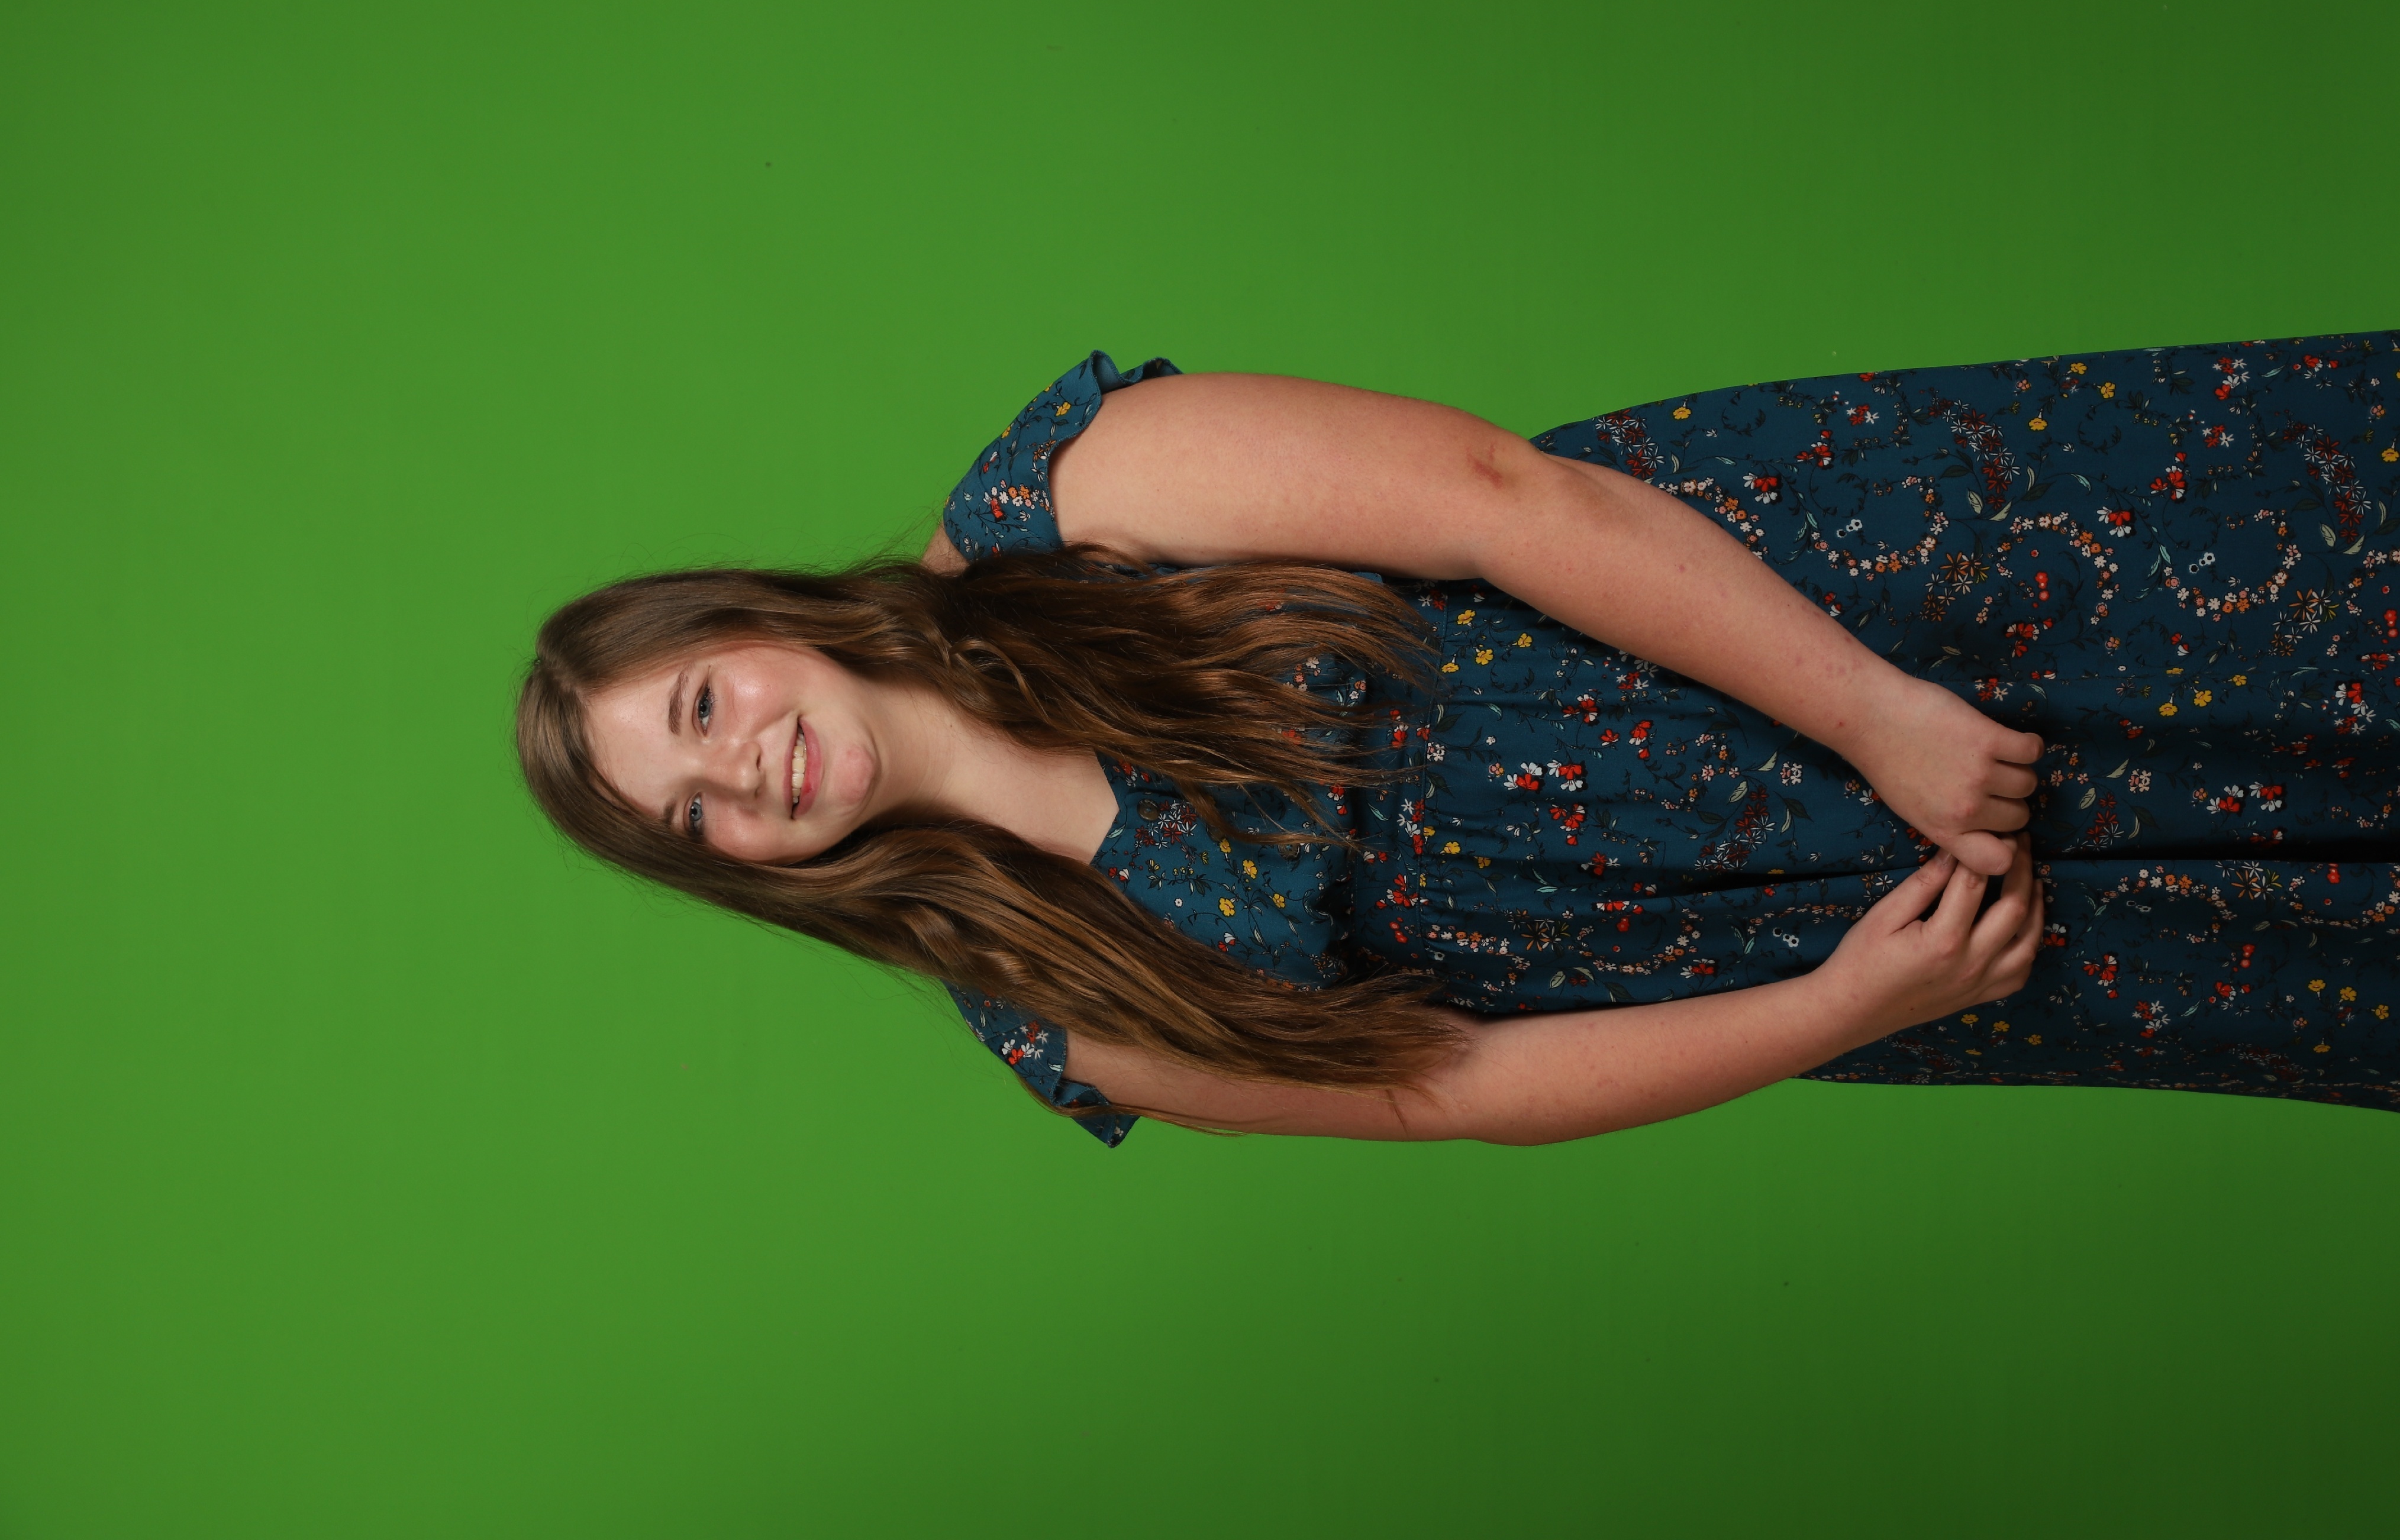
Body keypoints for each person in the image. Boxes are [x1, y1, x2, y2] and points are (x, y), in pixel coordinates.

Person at [518, 338, 2400, 1146]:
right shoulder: (1056, 1008)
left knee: (2314, 611)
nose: (740, 770)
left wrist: (1877, 712)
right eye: (692, 817)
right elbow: (1452, 1090)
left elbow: (1505, 501)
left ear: (745, 622)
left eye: (701, 707)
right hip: (1831, 937)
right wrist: (1845, 1010)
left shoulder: (1062, 502)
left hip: (1846, 620)